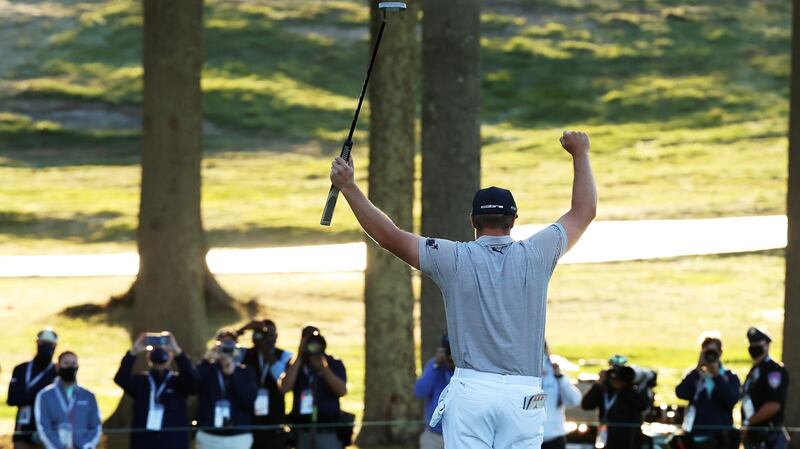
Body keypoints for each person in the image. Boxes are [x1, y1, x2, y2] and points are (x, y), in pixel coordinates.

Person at [328, 130, 596, 448]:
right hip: (523, 393)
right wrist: (580, 153)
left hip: (473, 390)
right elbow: (584, 212)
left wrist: (348, 186)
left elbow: (389, 235)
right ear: (513, 219)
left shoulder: (453, 258)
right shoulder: (537, 252)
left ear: (472, 220)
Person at [114, 332, 198, 449]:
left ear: (171, 356)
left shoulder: (178, 382)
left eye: (164, 350)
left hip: (174, 442)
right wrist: (133, 352)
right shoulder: (141, 381)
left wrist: (178, 352)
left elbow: (194, 382)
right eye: (154, 350)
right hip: (144, 442)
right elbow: (121, 378)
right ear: (148, 357)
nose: (160, 352)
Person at [280, 326, 347, 449]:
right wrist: (299, 357)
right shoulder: (295, 365)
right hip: (302, 430)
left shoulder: (334, 363)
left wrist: (323, 368)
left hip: (326, 429)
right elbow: (284, 387)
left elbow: (341, 391)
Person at [675, 332, 740, 449]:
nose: (710, 356)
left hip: (720, 439)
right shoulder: (695, 375)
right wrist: (697, 369)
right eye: (706, 352)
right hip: (695, 437)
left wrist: (717, 376)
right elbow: (681, 393)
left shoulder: (730, 377)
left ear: (720, 353)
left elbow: (731, 400)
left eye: (713, 352)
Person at [196, 331, 259, 449]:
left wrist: (233, 374)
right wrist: (206, 360)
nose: (227, 349)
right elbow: (192, 384)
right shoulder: (208, 370)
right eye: (223, 344)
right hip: (210, 435)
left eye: (231, 345)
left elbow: (249, 398)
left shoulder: (245, 371)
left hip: (238, 436)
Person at [239, 320, 293, 449]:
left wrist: (264, 350)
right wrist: (241, 330)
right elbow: (222, 350)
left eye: (270, 335)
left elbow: (280, 376)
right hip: (249, 420)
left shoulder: (284, 355)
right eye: (263, 334)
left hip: (274, 420)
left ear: (276, 336)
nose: (266, 339)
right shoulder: (245, 354)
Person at [34, 351, 102, 449]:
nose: (70, 367)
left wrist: (84, 446)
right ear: (58, 366)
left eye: (73, 364)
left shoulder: (88, 396)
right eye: (66, 363)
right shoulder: (44, 396)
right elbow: (43, 428)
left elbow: (96, 427)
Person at [581, 355, 651, 449]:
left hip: (630, 440)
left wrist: (624, 387)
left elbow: (643, 405)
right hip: (607, 439)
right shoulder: (605, 388)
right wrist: (598, 384)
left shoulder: (633, 388)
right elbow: (586, 405)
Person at [8, 328, 59, 449]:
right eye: (42, 343)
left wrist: (27, 396)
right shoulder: (21, 369)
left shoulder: (57, 372)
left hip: (48, 431)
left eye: (50, 344)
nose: (46, 347)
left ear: (55, 346)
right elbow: (12, 399)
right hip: (23, 429)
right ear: (37, 343)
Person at [741, 327, 789, 449]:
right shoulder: (754, 370)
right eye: (751, 343)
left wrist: (749, 422)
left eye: (758, 343)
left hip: (769, 437)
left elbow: (773, 404)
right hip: (753, 437)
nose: (754, 346)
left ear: (767, 345)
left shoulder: (774, 371)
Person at [414, 335, 455, 449]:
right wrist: (436, 365)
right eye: (448, 352)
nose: (451, 357)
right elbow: (420, 391)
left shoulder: (465, 369)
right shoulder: (434, 366)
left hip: (458, 435)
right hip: (434, 435)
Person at [541, 342, 582, 449]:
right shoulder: (523, 372)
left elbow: (574, 400)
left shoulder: (556, 372)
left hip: (554, 437)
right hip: (528, 437)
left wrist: (560, 378)